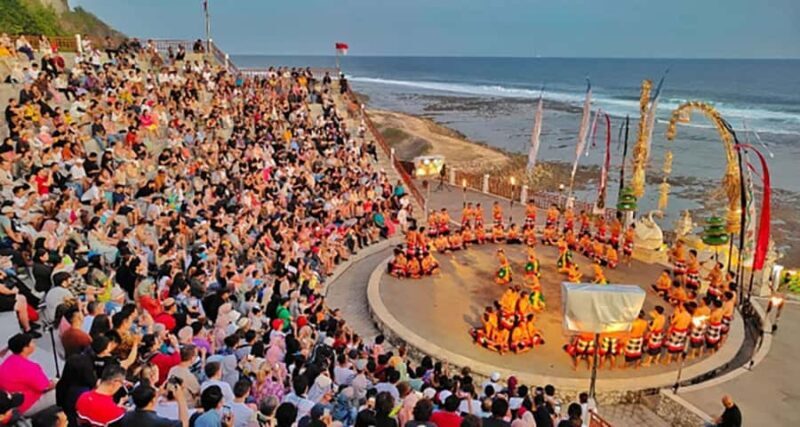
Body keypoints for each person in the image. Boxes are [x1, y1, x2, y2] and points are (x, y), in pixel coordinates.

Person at [0, 333, 56, 416]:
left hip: (9, 401)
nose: (34, 344)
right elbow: (45, 387)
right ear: (25, 348)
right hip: (23, 407)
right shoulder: (29, 367)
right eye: (32, 342)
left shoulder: (9, 360)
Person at [118, 382, 189, 427]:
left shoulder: (125, 417)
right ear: (153, 400)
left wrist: (157, 394)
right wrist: (181, 399)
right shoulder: (159, 422)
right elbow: (184, 425)